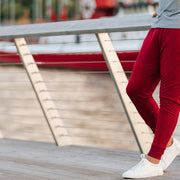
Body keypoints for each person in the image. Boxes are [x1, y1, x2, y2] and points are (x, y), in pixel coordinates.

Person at [122, 0, 180, 179]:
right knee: (136, 89)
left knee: (170, 97)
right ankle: (168, 143)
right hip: (161, 23)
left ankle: (153, 160)